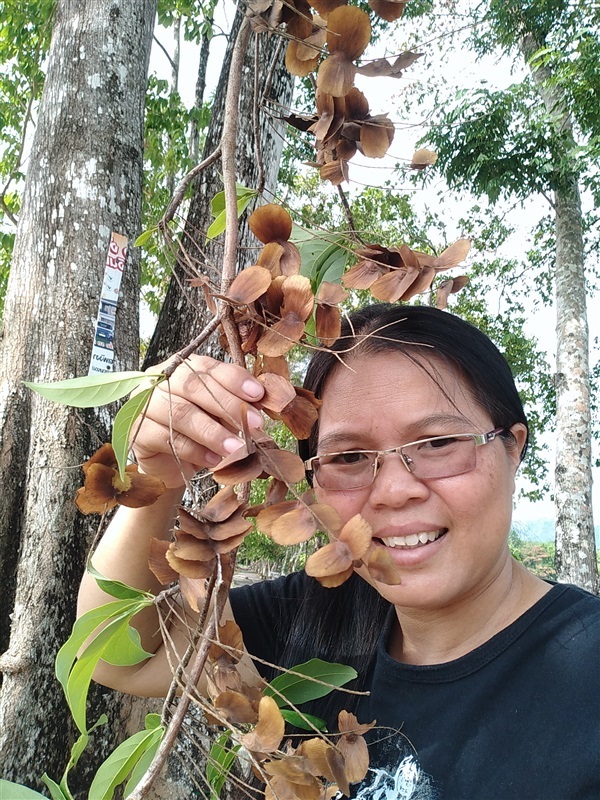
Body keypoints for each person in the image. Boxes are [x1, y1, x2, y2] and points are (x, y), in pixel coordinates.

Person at [78, 303, 600, 800]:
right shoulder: (313, 619)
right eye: (349, 456)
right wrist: (155, 482)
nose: (395, 491)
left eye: (439, 443)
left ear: (513, 448)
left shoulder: (585, 670)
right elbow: (113, 656)